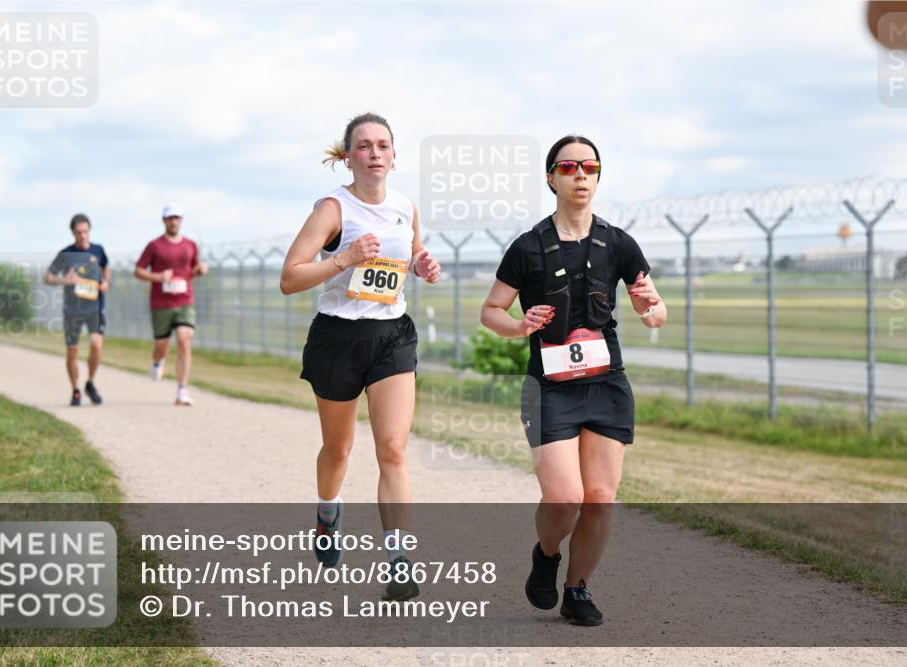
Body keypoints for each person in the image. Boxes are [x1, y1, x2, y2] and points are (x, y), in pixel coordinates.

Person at [480, 135, 666, 626]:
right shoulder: (528, 248)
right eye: (569, 167)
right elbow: (490, 310)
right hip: (550, 389)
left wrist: (651, 309)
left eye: (590, 166)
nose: (580, 174)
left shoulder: (619, 244)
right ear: (551, 178)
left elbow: (655, 309)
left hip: (606, 386)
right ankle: (546, 554)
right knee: (565, 499)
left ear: (598, 177)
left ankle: (577, 589)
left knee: (600, 500)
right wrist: (519, 325)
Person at [280, 112, 441, 601]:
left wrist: (422, 263)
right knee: (339, 449)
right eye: (365, 145)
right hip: (338, 338)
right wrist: (344, 259)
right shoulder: (334, 209)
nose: (375, 152)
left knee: (392, 448)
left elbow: (409, 255)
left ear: (394, 155)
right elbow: (290, 277)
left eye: (383, 145)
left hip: (392, 335)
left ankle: (398, 559)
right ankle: (328, 511)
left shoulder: (404, 206)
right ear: (348, 156)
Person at [133, 205, 208, 405]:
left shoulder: (190, 245)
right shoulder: (154, 246)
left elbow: (191, 270)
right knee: (161, 345)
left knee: (184, 338)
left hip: (185, 300)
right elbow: (138, 271)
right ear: (164, 221)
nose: (174, 221)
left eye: (177, 218)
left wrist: (200, 269)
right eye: (170, 218)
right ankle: (158, 361)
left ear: (181, 220)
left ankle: (182, 390)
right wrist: (157, 276)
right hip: (161, 303)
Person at [44, 213, 111, 406]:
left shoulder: (98, 250)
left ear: (90, 231)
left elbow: (106, 267)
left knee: (97, 344)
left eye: (86, 231)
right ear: (73, 233)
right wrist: (65, 280)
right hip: (72, 309)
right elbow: (48, 277)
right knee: (72, 351)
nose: (83, 236)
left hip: (95, 307)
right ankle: (75, 390)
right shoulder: (66, 254)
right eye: (78, 232)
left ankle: (90, 382)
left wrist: (106, 281)